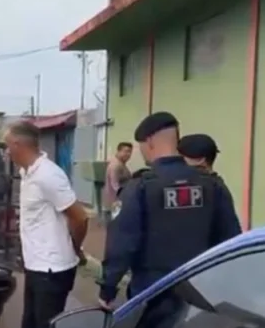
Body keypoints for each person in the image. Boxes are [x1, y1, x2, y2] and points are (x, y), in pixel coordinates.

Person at [99, 112, 242, 309]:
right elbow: (231, 238)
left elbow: (122, 242)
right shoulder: (212, 184)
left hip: (153, 292)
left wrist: (108, 288)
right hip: (201, 292)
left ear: (149, 142)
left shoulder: (140, 186)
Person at [4, 120, 89, 328]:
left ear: (19, 145)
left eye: (7, 144)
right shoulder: (28, 173)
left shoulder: (49, 176)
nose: (5, 150)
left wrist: (75, 248)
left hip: (53, 268)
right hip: (37, 266)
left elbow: (79, 217)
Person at [102, 142, 133, 223]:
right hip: (114, 204)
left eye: (130, 152)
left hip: (117, 203)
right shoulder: (115, 165)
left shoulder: (121, 164)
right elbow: (115, 185)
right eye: (125, 151)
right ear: (119, 151)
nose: (128, 154)